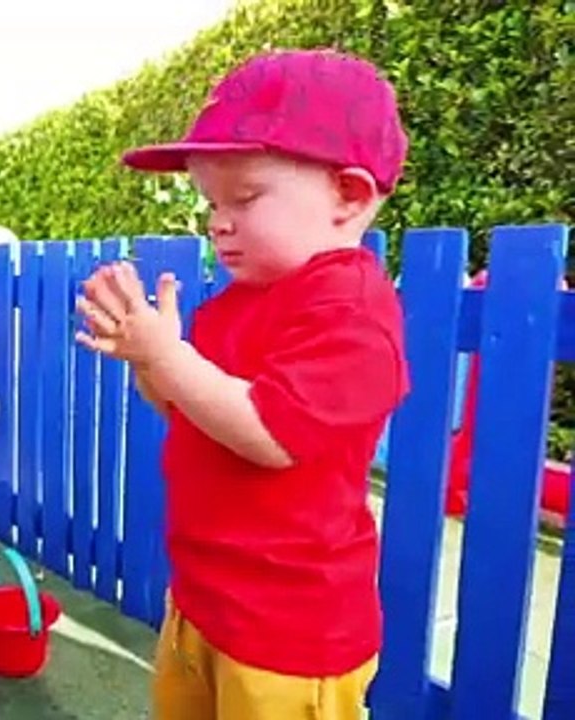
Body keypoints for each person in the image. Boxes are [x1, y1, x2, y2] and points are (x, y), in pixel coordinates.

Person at [74, 49, 410, 720]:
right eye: (211, 202)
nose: (218, 221)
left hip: (290, 636)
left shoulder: (349, 308)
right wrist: (148, 359)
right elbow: (186, 406)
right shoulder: (239, 300)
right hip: (204, 600)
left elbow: (270, 434)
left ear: (348, 195)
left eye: (245, 197)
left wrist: (167, 357)